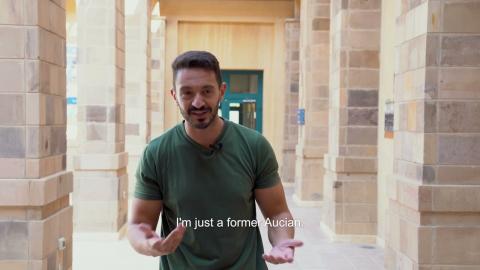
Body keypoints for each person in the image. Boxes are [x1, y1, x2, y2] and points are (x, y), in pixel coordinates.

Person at [128, 50, 303, 269]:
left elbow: (277, 212)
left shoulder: (254, 146)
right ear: (174, 96)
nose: (198, 102)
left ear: (221, 92)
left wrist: (283, 241)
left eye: (207, 91)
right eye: (187, 93)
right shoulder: (157, 154)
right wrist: (149, 244)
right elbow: (138, 224)